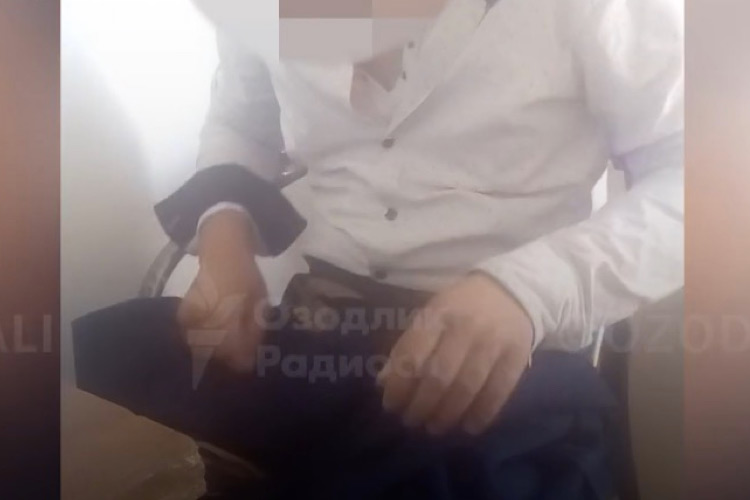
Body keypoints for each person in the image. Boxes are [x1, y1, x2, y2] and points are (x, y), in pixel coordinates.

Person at [153, 0, 683, 495]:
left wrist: (532, 289)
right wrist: (224, 238)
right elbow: (241, 123)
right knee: (137, 413)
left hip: (512, 365)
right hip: (319, 336)